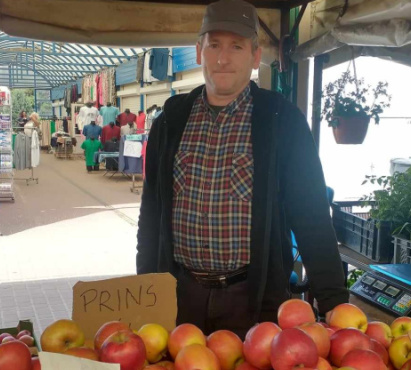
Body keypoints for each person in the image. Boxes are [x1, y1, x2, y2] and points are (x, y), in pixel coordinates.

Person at [136, 0, 348, 337]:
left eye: (236, 46)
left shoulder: (281, 120)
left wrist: (334, 301)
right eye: (214, 45)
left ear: (254, 55)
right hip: (179, 295)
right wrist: (144, 289)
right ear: (198, 52)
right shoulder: (171, 120)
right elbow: (152, 212)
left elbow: (310, 215)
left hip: (252, 297)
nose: (223, 58)